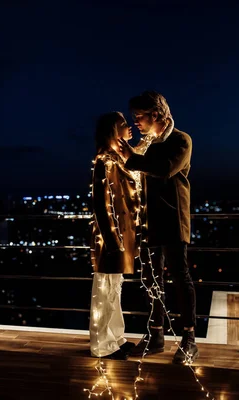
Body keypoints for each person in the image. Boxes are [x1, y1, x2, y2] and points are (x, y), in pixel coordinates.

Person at [118, 91, 198, 364]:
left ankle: (189, 337)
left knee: (180, 276)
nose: (136, 122)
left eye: (138, 116)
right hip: (149, 221)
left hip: (174, 219)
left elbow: (165, 168)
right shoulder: (147, 144)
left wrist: (131, 156)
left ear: (155, 114)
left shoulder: (181, 140)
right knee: (153, 280)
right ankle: (156, 334)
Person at [89, 111, 139, 359]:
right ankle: (102, 345)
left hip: (120, 237)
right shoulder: (104, 161)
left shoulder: (118, 159)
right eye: (123, 124)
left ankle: (117, 339)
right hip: (110, 240)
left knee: (114, 289)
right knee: (105, 291)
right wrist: (112, 241)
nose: (129, 127)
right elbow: (100, 204)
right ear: (112, 130)